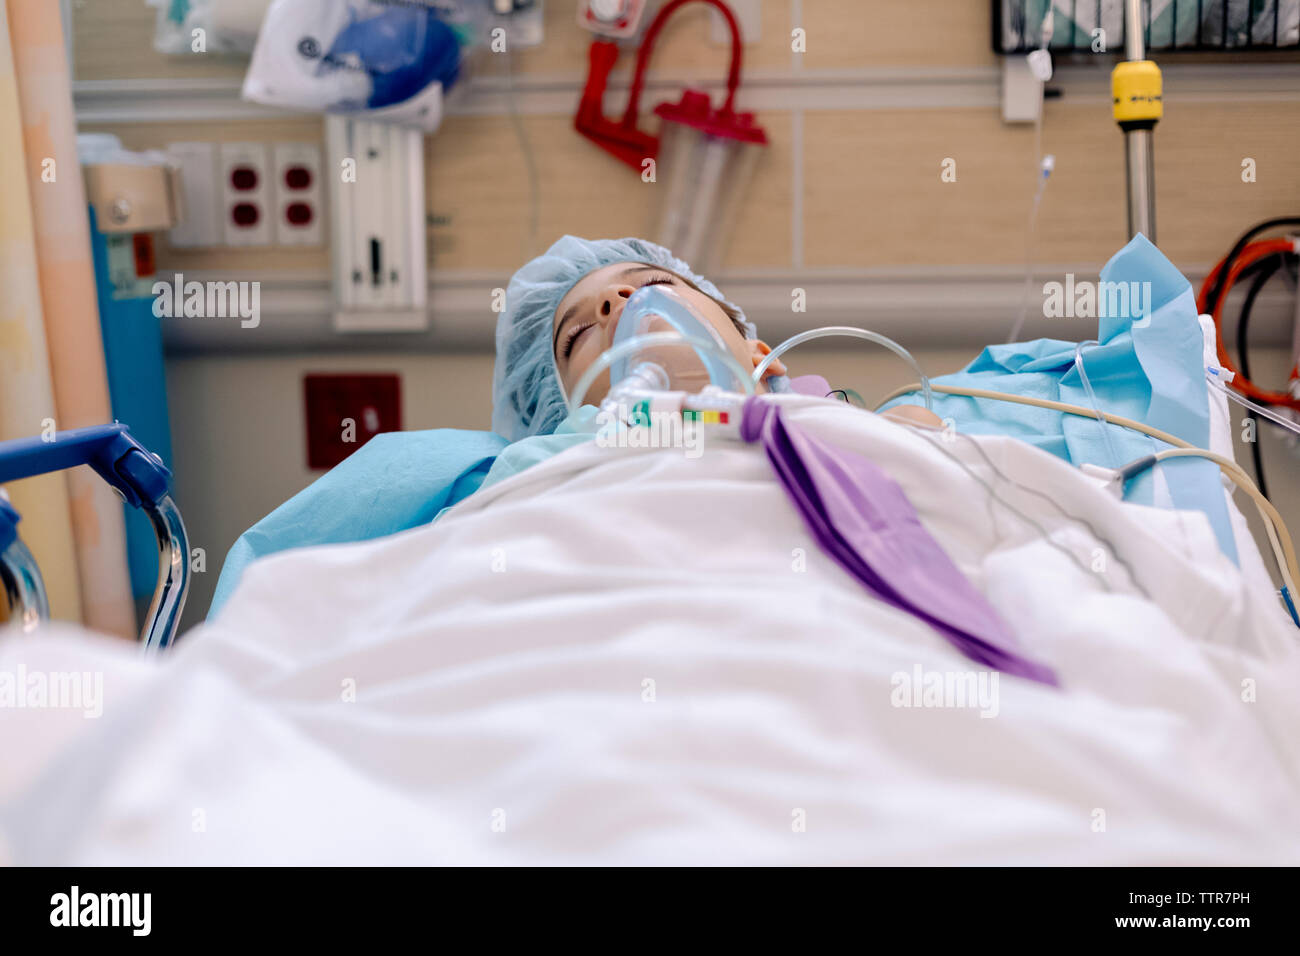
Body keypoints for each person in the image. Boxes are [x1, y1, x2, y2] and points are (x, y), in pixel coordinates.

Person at [492, 235, 940, 443]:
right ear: (566, 415)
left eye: (654, 284)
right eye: (577, 335)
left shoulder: (835, 433)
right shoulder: (541, 475)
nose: (616, 300)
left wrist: (903, 435)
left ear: (760, 359)